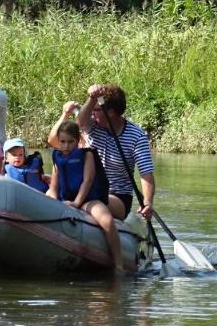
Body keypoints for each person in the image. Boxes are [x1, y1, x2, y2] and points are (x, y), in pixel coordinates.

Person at [51, 84, 155, 223]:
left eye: (97, 110)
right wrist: (92, 98)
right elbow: (80, 123)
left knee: (92, 201)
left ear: (110, 112)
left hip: (116, 196)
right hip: (83, 188)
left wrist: (147, 202)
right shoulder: (92, 125)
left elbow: (146, 174)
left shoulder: (137, 136)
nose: (92, 113)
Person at [46, 107, 123, 270]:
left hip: (87, 199)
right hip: (65, 198)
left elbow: (87, 181)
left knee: (107, 220)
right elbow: (54, 186)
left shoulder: (87, 154)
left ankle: (119, 264)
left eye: (70, 142)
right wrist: (52, 204)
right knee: (46, 195)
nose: (66, 146)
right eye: (62, 142)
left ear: (78, 140)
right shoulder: (57, 157)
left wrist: (76, 203)